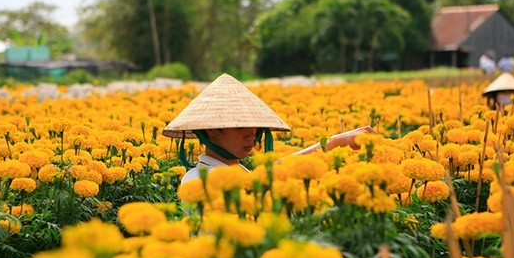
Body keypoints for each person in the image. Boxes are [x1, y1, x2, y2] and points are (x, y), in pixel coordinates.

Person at [162, 73, 378, 183]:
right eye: (240, 126)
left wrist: (334, 142)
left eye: (254, 125)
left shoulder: (237, 171)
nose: (251, 133)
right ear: (210, 130)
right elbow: (256, 186)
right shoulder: (198, 179)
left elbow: (263, 177)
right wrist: (334, 142)